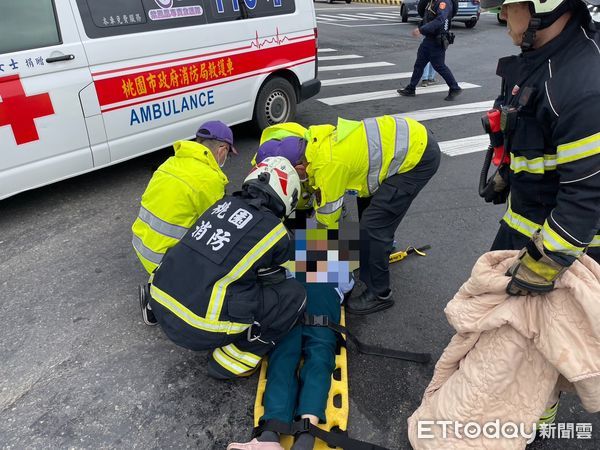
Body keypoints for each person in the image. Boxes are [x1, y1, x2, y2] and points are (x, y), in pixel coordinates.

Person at [479, 0, 600, 427]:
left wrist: (539, 269)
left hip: (565, 246)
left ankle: (535, 414)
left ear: (544, 9)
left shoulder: (583, 86)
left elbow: (586, 200)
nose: (500, 16)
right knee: (508, 333)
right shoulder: (538, 61)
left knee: (541, 339)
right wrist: (508, 172)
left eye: (508, 7)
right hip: (523, 222)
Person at [140, 157, 307, 380]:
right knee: (293, 295)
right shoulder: (274, 230)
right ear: (288, 195)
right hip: (198, 328)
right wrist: (339, 249)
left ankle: (153, 306)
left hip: (159, 300)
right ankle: (232, 361)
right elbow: (285, 273)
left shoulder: (221, 204)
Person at [256, 116, 441, 316]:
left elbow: (326, 222)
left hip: (416, 157)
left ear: (300, 167)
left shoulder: (328, 166)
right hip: (402, 142)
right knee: (369, 208)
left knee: (373, 227)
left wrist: (306, 257)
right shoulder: (312, 142)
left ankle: (380, 294)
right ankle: (377, 250)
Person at [227, 220, 354, 450]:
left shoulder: (284, 256)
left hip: (289, 315)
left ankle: (269, 435)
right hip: (321, 320)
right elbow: (347, 288)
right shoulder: (335, 255)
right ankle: (305, 436)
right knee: (319, 361)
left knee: (282, 362)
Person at [132, 121, 236, 276]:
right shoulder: (209, 179)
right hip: (164, 260)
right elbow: (216, 224)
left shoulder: (170, 162)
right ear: (222, 150)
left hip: (142, 246)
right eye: (228, 154)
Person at [397, 0, 462, 100]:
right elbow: (426, 16)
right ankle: (411, 88)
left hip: (437, 40)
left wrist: (421, 30)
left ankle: (454, 87)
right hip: (428, 39)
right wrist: (421, 26)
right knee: (419, 64)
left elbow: (440, 19)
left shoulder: (443, 2)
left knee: (439, 66)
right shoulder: (432, 1)